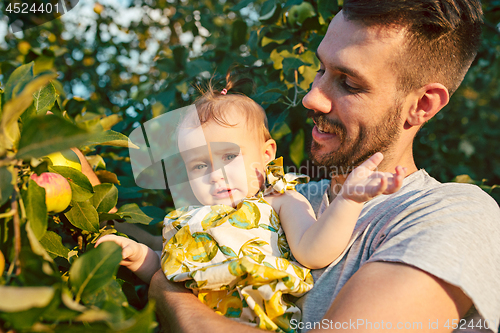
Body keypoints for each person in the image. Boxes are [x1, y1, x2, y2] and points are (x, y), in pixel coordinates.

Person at [147, 1, 500, 332]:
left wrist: (166, 290)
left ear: (422, 104)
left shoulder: (452, 214)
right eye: (320, 69)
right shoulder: (277, 195)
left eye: (349, 83)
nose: (311, 97)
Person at [97, 79, 406, 332]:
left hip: (263, 323)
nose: (216, 175)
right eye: (199, 167)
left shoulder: (280, 200)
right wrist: (138, 256)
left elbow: (314, 251)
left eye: (229, 157)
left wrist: (349, 200)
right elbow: (169, 271)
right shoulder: (189, 219)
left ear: (267, 153)